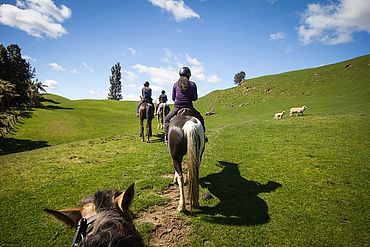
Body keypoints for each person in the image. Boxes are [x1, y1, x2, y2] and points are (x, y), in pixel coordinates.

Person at [164, 67, 206, 143]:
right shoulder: (192, 84)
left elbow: (173, 98)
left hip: (177, 108)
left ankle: (167, 138)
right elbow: (195, 98)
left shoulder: (175, 84)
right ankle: (203, 136)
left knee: (166, 120)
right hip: (189, 107)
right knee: (201, 119)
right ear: (189, 75)